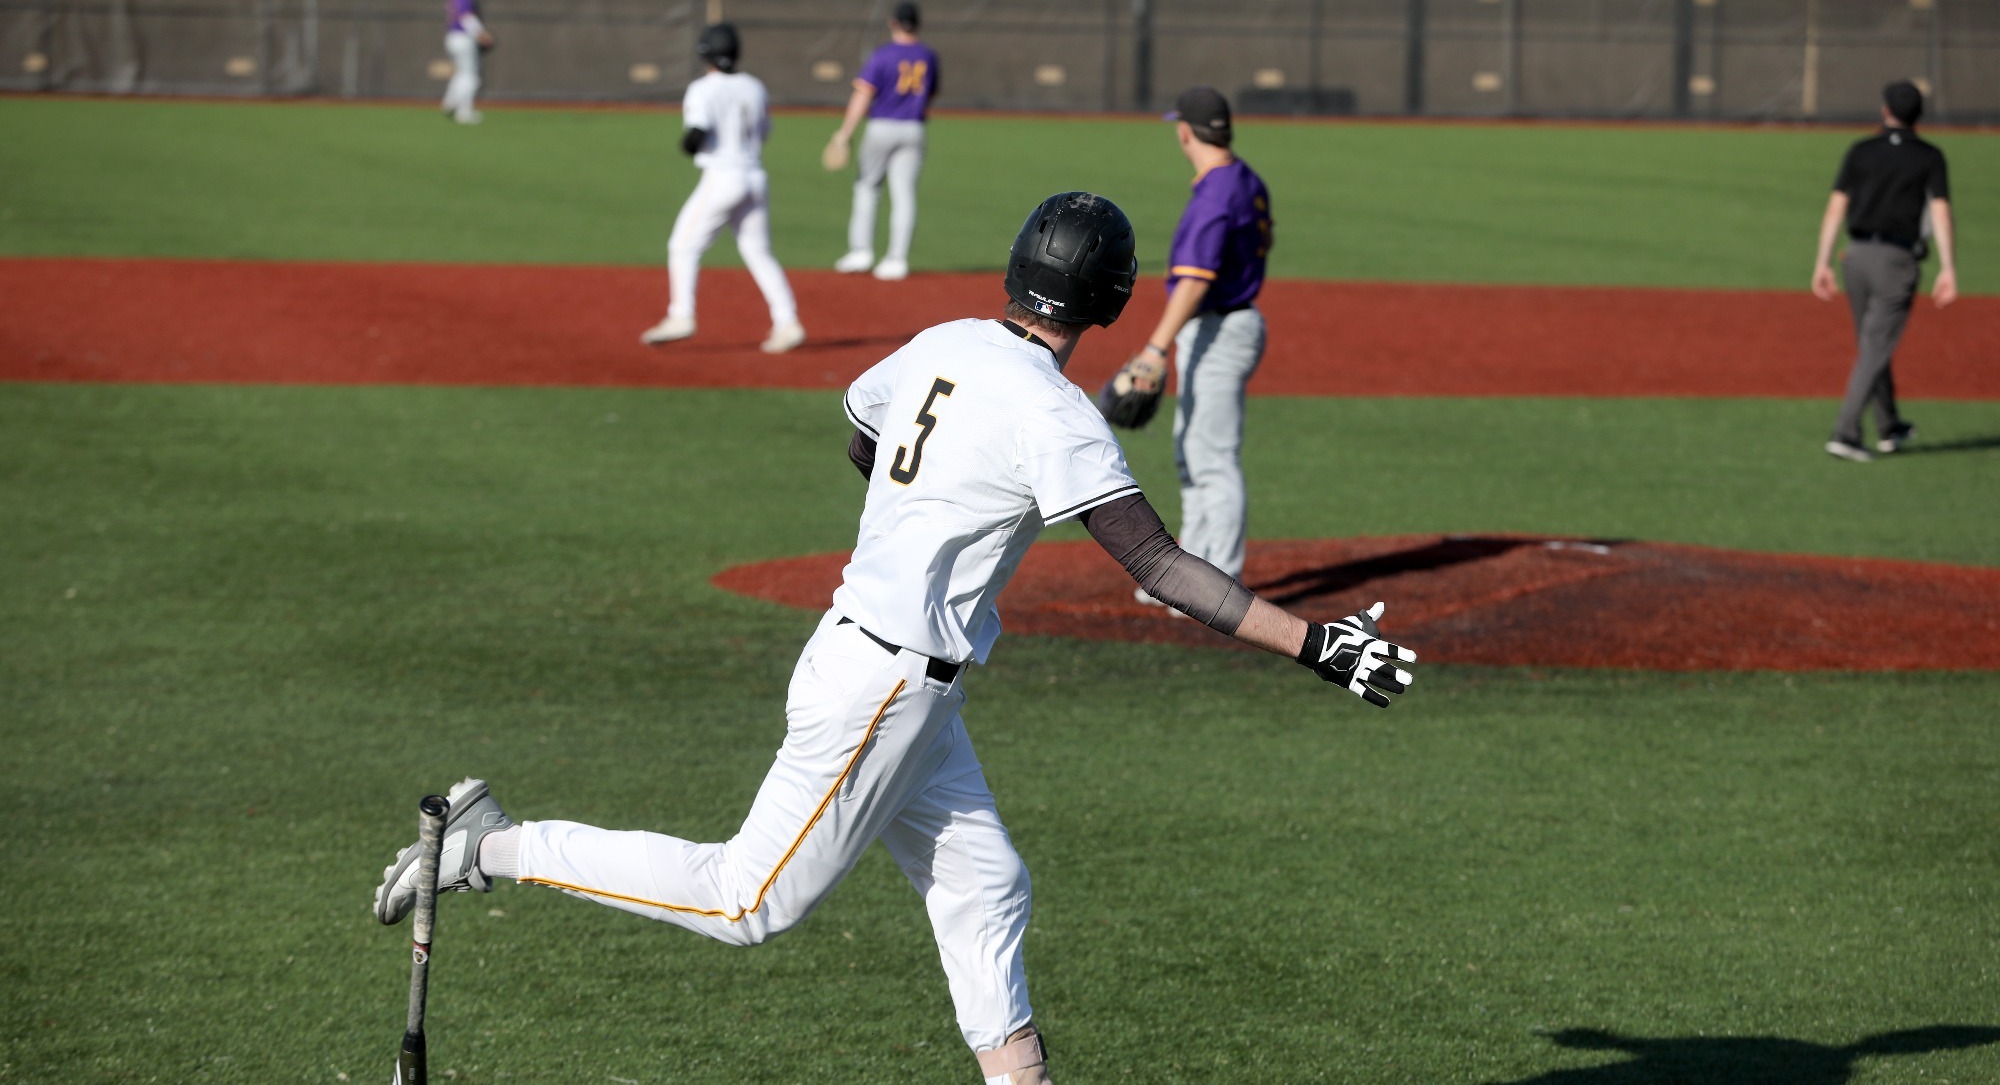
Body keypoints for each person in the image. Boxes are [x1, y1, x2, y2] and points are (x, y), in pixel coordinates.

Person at [373, 193, 1415, 1084]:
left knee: (987, 884)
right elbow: (1157, 567)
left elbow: (864, 434)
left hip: (887, 670)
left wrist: (932, 511)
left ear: (1016, 273)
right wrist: (1315, 643)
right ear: (1110, 301)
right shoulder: (1055, 414)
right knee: (746, 903)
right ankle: (489, 847)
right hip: (882, 689)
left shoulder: (945, 341)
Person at [1120, 86, 1271, 606]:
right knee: (1193, 451)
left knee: (1212, 458)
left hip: (1220, 329)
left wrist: (1154, 350)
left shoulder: (1215, 195)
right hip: (1230, 323)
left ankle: (1218, 589)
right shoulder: (1243, 178)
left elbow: (1195, 280)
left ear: (1185, 131)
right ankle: (1188, 574)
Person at [1811, 79, 1958, 461]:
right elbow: (1940, 212)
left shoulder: (1861, 150)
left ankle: (1888, 424)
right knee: (1875, 347)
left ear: (1885, 111)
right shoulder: (1929, 156)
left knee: (1872, 345)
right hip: (1896, 261)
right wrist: (1949, 268)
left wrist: (1822, 262)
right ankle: (1845, 433)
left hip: (1856, 257)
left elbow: (1835, 208)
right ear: (1918, 115)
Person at [640, 23, 807, 355]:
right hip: (754, 176)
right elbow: (764, 132)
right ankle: (787, 321)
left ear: (705, 54)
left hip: (722, 177)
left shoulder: (703, 88)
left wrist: (687, 145)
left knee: (683, 246)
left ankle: (681, 315)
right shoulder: (755, 87)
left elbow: (696, 134)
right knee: (759, 253)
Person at [823, 0, 939, 281]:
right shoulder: (928, 56)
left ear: (893, 22)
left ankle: (861, 253)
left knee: (867, 187)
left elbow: (862, 95)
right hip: (914, 128)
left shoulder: (883, 55)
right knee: (904, 194)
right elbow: (930, 93)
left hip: (882, 126)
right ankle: (896, 260)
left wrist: (844, 132)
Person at [440, 0, 494, 126]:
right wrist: (482, 35)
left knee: (461, 73)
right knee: (471, 77)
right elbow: (467, 18)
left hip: (452, 37)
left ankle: (449, 102)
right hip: (463, 38)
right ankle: (464, 112)